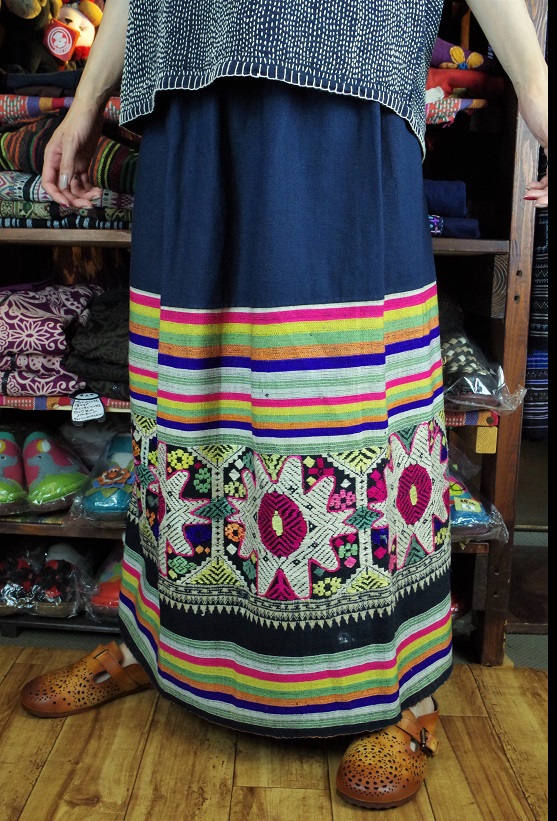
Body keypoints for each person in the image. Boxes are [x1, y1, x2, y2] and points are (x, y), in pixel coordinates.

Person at [20, 0, 547, 810]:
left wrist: (538, 90)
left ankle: (402, 688)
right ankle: (153, 640)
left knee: (342, 389)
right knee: (182, 385)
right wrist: (89, 97)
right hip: (185, 86)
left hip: (342, 76)